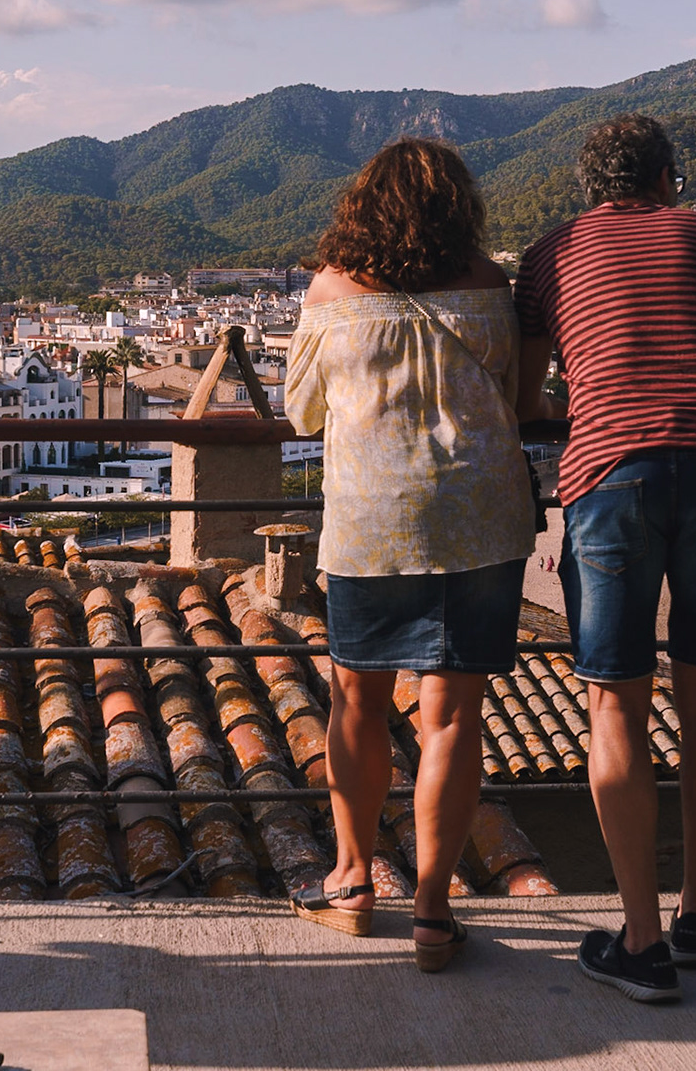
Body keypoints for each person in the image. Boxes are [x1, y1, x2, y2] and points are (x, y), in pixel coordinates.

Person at [514, 112, 696, 1003]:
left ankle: (641, 939)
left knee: (614, 704)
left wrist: (596, 380)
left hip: (612, 474)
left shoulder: (550, 255)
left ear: (591, 187)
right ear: (670, 177)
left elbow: (524, 393)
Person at [284, 138, 537, 973]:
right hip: (479, 520)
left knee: (356, 700)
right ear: (459, 206)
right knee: (453, 715)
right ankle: (433, 909)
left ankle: (353, 882)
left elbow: (302, 414)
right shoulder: (487, 287)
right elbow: (510, 395)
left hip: (372, 523)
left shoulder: (329, 292)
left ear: (362, 203)